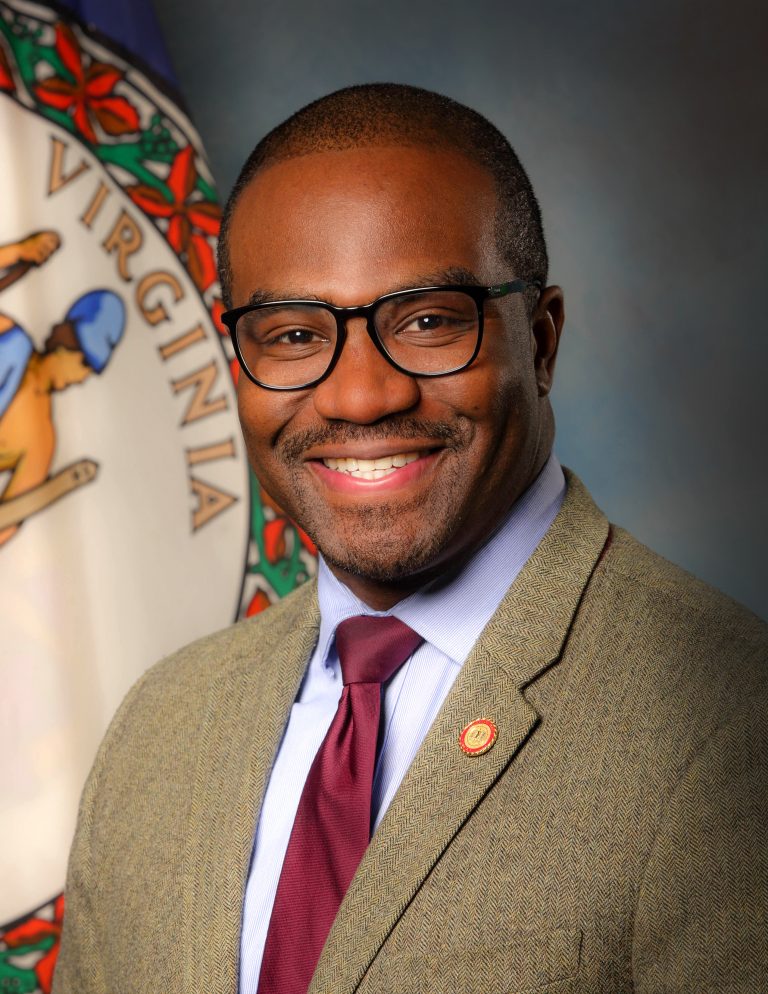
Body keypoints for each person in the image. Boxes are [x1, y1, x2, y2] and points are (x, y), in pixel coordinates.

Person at [53, 84, 767, 994]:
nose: (361, 396)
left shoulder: (727, 723)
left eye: (428, 322)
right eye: (294, 334)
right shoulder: (160, 727)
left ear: (541, 342)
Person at [0, 279, 125, 546]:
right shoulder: (7, 334)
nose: (82, 378)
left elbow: (5, 526)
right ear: (66, 339)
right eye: (85, 364)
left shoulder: (41, 443)